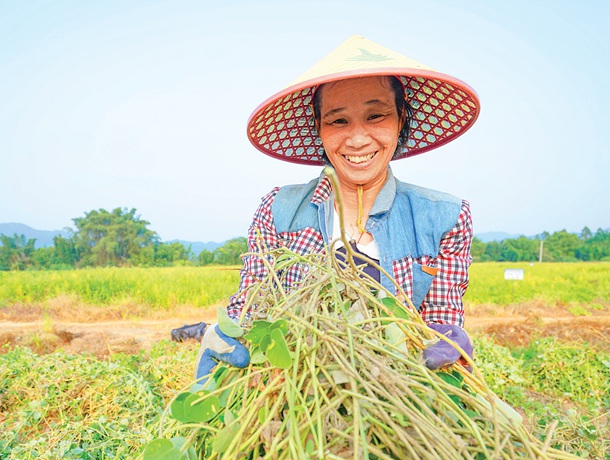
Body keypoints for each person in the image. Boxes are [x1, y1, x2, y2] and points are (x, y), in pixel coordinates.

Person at [196, 35, 480, 381]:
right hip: (296, 384)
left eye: (376, 116)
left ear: (400, 119)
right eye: (338, 121)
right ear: (318, 127)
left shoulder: (444, 218)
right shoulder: (280, 211)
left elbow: (439, 320)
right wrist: (228, 334)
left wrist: (447, 340)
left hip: (396, 385)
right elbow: (251, 310)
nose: (358, 139)